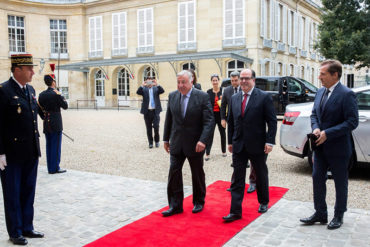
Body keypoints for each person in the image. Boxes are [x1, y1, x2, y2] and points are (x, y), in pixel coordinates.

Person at [300, 60, 358, 230]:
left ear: (335, 75)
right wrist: (317, 128)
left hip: (339, 148)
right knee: (317, 179)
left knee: (340, 182)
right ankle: (320, 213)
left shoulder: (347, 94)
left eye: (322, 74)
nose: (319, 77)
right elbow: (313, 115)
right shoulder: (320, 92)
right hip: (320, 148)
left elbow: (352, 122)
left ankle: (338, 215)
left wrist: (328, 133)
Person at [0, 54, 45, 245]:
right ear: (17, 70)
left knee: (28, 191)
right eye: (29, 69)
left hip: (30, 151)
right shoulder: (3, 91)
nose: (33, 72)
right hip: (12, 154)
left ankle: (27, 226)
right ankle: (15, 231)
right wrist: (0, 152)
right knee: (13, 194)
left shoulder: (31, 89)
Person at [223, 69, 277, 222]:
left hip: (258, 145)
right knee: (237, 179)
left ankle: (263, 202)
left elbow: (272, 121)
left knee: (260, 174)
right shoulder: (234, 98)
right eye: (242, 78)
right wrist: (230, 142)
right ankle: (235, 211)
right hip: (239, 144)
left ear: (254, 80)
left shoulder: (264, 97)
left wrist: (270, 141)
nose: (244, 81)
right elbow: (231, 121)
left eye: (247, 78)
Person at [162, 70, 214, 217]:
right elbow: (169, 119)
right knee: (174, 173)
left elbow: (209, 121)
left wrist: (203, 140)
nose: (180, 85)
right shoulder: (173, 96)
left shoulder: (202, 96)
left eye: (183, 82)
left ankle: (199, 201)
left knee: (197, 174)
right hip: (177, 142)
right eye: (178, 82)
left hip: (195, 144)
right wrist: (166, 139)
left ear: (191, 81)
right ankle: (175, 205)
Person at [220, 71, 257, 193]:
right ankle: (235, 183)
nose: (237, 82)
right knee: (237, 163)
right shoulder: (228, 92)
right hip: (237, 130)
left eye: (237, 79)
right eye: (234, 80)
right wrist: (223, 119)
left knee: (253, 162)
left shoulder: (253, 93)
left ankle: (253, 183)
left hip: (251, 133)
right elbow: (224, 107)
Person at [38, 74, 68, 174]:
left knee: (49, 145)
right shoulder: (56, 94)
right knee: (56, 146)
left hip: (47, 122)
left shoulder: (42, 94)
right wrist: (59, 94)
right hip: (56, 122)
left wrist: (44, 117)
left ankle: (50, 167)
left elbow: (39, 108)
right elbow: (65, 106)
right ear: (53, 82)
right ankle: (55, 168)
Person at [136, 78, 165, 148]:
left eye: (151, 81)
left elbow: (162, 91)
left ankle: (157, 141)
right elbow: (138, 92)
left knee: (156, 127)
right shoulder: (144, 89)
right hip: (147, 112)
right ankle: (150, 143)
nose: (149, 83)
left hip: (155, 111)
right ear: (146, 82)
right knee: (148, 128)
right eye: (148, 81)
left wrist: (157, 84)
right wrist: (142, 85)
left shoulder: (156, 88)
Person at [205, 74, 226, 160]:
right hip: (211, 116)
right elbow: (206, 105)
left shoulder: (223, 91)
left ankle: (224, 151)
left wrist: (222, 99)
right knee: (210, 134)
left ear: (218, 81)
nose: (215, 82)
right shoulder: (208, 92)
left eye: (216, 80)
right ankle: (207, 153)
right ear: (211, 82)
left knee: (223, 133)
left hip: (221, 116)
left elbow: (226, 104)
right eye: (213, 80)